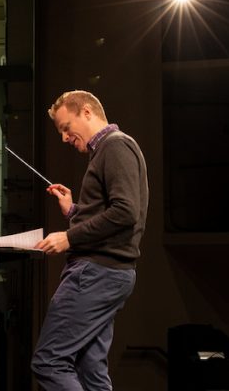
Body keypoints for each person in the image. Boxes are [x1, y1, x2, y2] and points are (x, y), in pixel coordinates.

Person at [31, 90, 149, 391]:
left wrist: (69, 237)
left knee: (48, 362)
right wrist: (74, 210)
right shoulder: (108, 150)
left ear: (86, 112)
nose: (64, 138)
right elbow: (113, 211)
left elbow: (125, 212)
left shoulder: (115, 146)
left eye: (65, 128)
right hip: (109, 273)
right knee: (89, 368)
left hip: (96, 272)